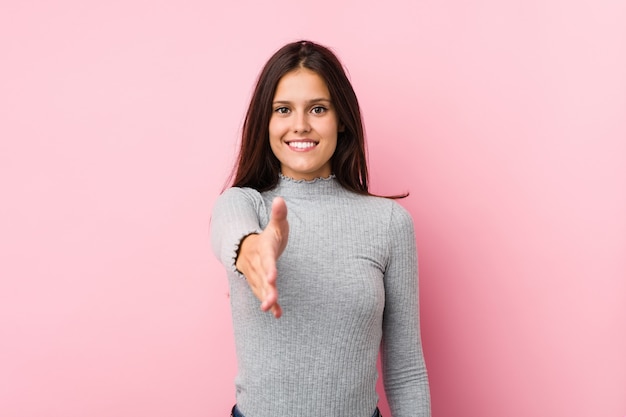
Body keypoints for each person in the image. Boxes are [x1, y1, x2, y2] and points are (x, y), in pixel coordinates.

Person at [210, 40, 430, 417]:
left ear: (341, 118)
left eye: (317, 109)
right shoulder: (245, 204)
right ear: (266, 121)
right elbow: (235, 237)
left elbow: (405, 369)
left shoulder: (389, 223)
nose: (300, 125)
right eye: (283, 109)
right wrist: (255, 250)